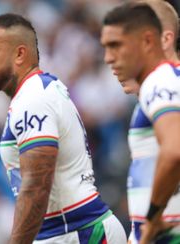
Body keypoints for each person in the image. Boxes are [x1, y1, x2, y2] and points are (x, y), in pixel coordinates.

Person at [0, 13, 126, 243]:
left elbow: (37, 184)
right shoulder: (38, 92)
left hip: (76, 232)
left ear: (19, 54)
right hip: (68, 230)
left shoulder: (33, 99)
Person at [101, 2, 180, 244]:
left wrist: (152, 216)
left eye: (117, 45)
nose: (108, 59)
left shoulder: (160, 82)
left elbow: (174, 150)